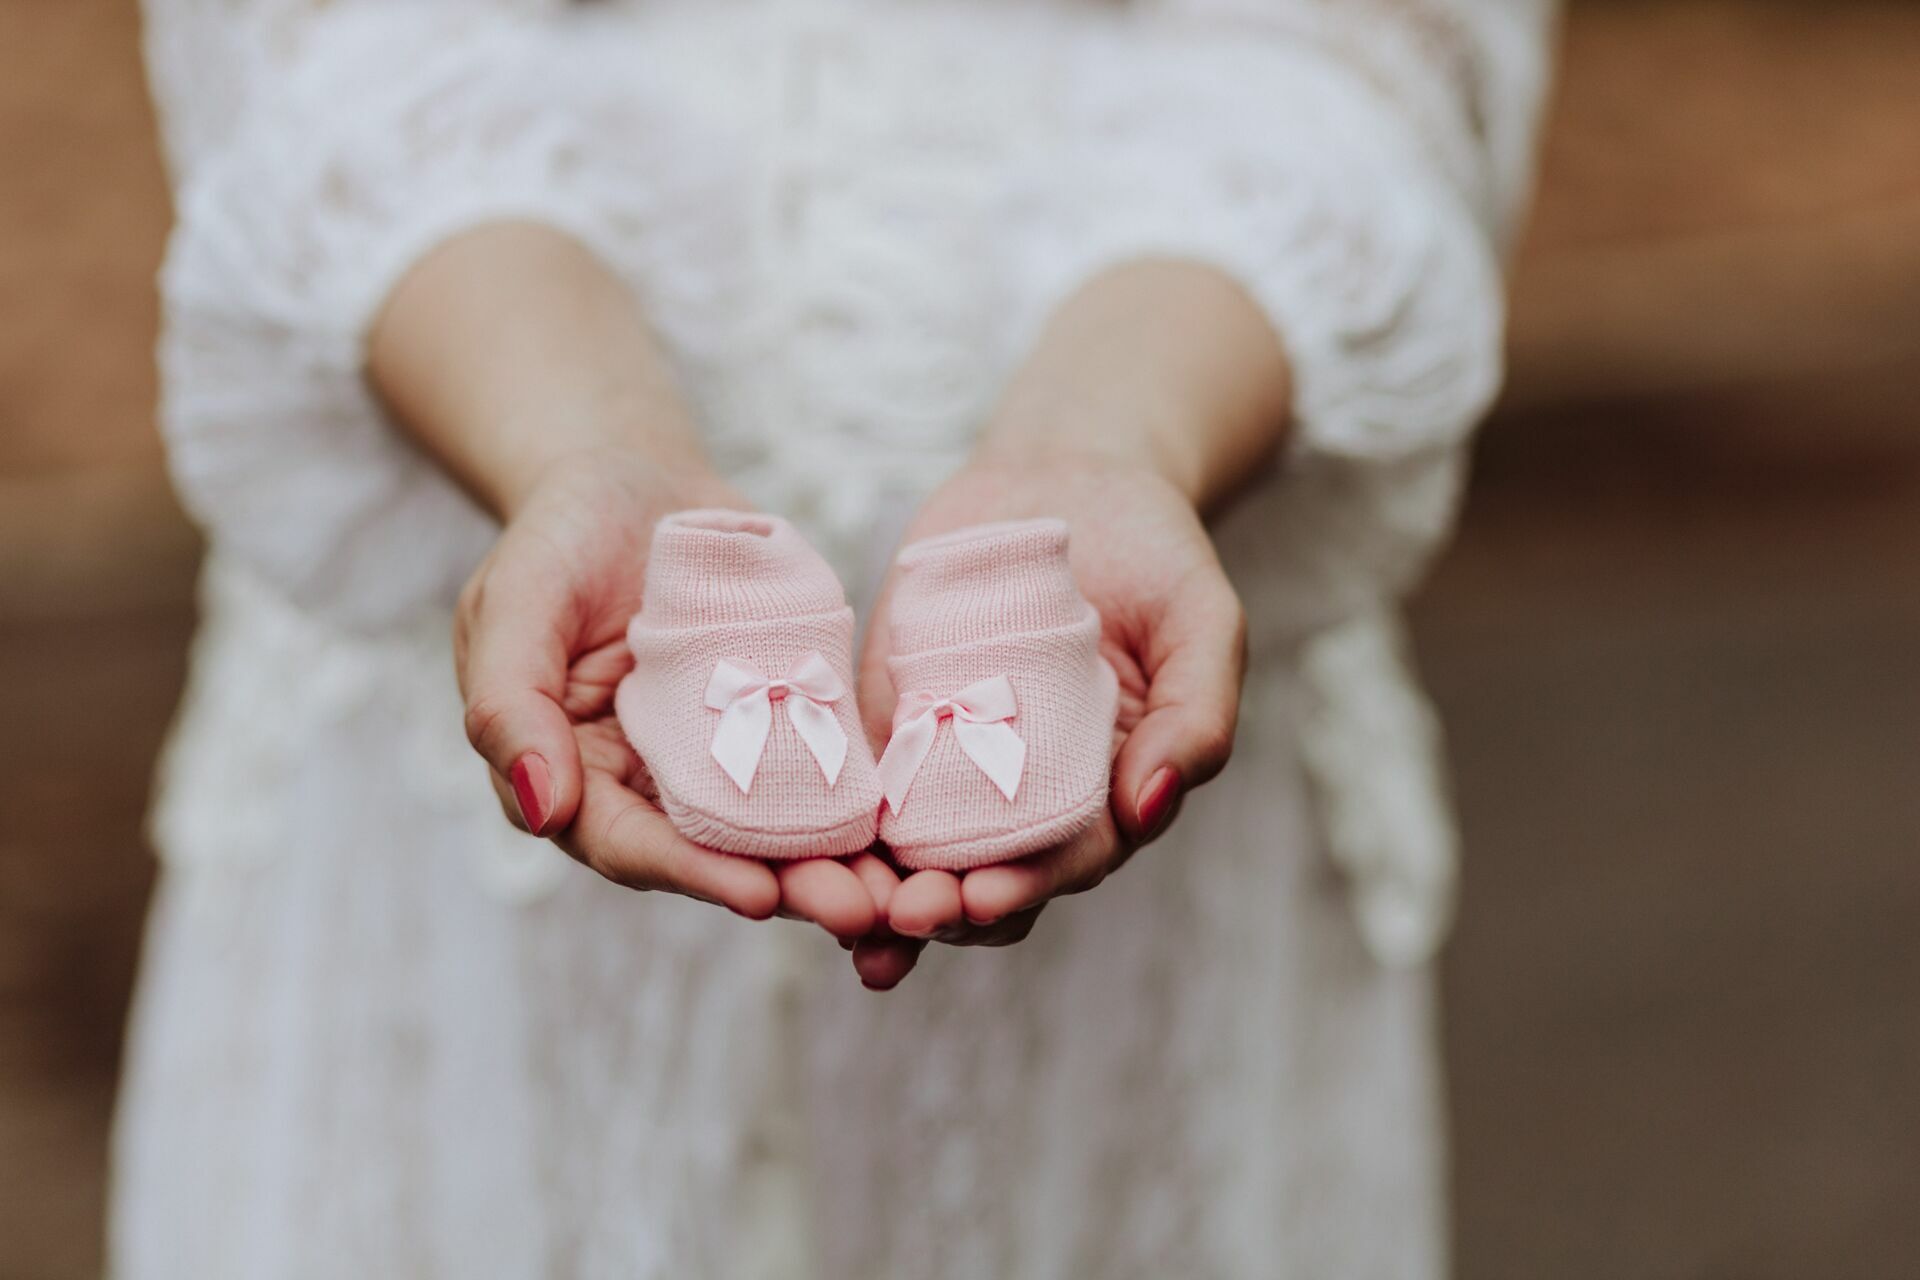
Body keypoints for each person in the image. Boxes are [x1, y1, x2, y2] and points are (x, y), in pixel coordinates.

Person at [117, 1, 1556, 1274]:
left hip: (1142, 580)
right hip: (477, 598)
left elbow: (1363, 50)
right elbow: (325, 46)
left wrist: (1116, 439)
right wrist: (577, 442)